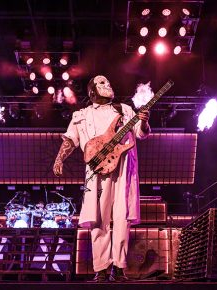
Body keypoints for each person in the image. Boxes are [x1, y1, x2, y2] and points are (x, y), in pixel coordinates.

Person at [53, 75, 150, 282]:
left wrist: (144, 122)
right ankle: (102, 269)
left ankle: (119, 267)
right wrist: (59, 159)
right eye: (102, 83)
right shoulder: (82, 115)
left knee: (122, 219)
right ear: (92, 91)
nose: (108, 84)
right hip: (97, 173)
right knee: (99, 220)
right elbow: (71, 139)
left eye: (108, 81)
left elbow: (141, 134)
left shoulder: (124, 110)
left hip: (123, 170)